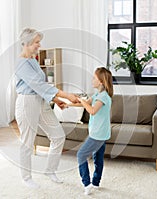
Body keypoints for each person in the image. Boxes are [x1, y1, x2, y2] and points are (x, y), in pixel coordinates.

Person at [15, 28, 79, 189]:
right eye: (37, 42)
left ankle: (50, 170)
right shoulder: (21, 63)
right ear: (28, 43)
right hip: (27, 103)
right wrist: (65, 95)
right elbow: (37, 85)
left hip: (41, 101)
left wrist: (56, 100)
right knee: (27, 142)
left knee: (58, 136)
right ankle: (26, 177)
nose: (39, 45)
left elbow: (41, 87)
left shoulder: (34, 61)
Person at [76, 67, 113, 195]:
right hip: (100, 133)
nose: (92, 80)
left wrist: (82, 101)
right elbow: (85, 103)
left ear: (101, 82)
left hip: (98, 135)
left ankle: (87, 184)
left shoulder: (103, 97)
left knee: (81, 155)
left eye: (94, 78)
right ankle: (96, 183)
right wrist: (69, 104)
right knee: (98, 159)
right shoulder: (97, 94)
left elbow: (92, 110)